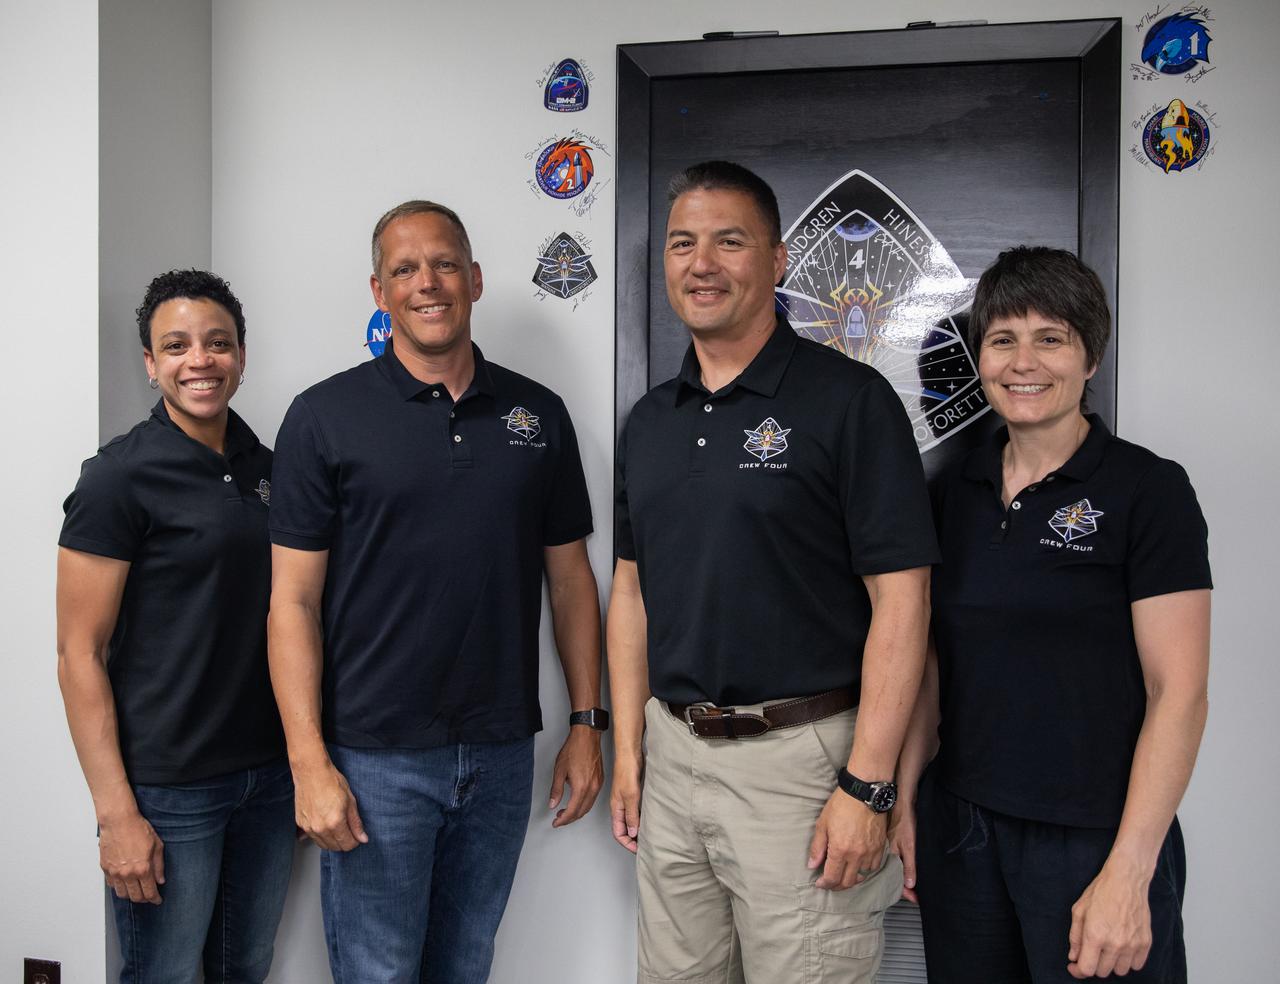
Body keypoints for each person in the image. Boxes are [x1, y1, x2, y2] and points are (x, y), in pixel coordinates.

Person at [607, 160, 939, 984]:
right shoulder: (649, 421)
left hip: (804, 765)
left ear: (779, 259)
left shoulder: (850, 402)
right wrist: (628, 751)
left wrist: (868, 786)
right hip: (674, 756)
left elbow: (904, 601)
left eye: (729, 241)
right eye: (683, 244)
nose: (701, 263)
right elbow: (630, 591)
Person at [267, 200, 605, 983]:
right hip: (373, 757)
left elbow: (571, 580)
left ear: (476, 278)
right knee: (378, 973)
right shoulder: (325, 417)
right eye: (405, 269)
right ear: (379, 292)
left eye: (445, 263)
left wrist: (588, 723)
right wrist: (308, 762)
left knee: (466, 966)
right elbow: (292, 603)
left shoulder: (538, 415)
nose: (429, 282)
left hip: (499, 750)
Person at [894, 246, 1212, 982]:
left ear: (1090, 356)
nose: (1022, 361)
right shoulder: (951, 493)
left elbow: (1180, 694)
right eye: (1003, 339)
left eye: (1051, 338)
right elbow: (931, 665)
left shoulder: (1148, 490)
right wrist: (904, 798)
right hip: (963, 831)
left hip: (1097, 836)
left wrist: (1131, 871)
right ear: (979, 358)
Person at [57, 270, 294, 983]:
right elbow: (78, 652)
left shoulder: (271, 469)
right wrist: (116, 814)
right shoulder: (116, 479)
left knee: (244, 968)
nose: (201, 360)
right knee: (162, 973)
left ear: (242, 356)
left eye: (218, 343)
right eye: (178, 345)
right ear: (151, 363)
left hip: (269, 776)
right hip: (169, 788)